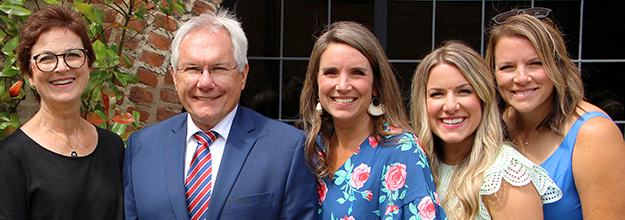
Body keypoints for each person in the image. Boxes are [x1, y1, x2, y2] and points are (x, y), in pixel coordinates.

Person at [123, 10, 317, 220]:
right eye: (193, 68)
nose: (205, 82)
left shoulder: (288, 149)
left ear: (242, 75)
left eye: (218, 68)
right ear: (175, 77)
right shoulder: (141, 147)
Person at [0, 6, 124, 220]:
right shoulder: (12, 156)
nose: (61, 67)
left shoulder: (112, 147)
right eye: (46, 58)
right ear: (29, 74)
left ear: (89, 65)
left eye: (73, 55)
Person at [300, 21, 446, 220]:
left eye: (357, 73)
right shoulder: (313, 149)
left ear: (376, 84)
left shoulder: (401, 151)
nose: (342, 85)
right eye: (331, 72)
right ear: (316, 82)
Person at [486, 12, 625, 219]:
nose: (522, 78)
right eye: (507, 67)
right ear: (493, 74)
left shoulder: (594, 133)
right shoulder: (499, 125)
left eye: (536, 63)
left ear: (557, 66)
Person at [410, 42, 561, 220]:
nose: (451, 106)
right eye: (437, 94)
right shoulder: (415, 165)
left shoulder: (505, 175)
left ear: (483, 98)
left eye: (464, 91)